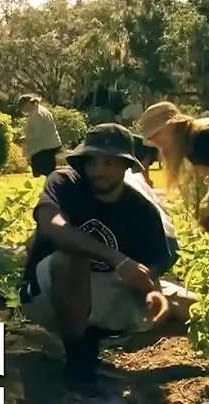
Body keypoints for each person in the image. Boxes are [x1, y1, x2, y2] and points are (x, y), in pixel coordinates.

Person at [19, 123, 197, 394]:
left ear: (127, 166)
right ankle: (79, 366)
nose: (98, 170)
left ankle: (95, 338)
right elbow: (52, 225)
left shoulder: (141, 211)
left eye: (110, 161)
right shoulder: (65, 182)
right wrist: (116, 258)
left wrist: (154, 295)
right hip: (48, 292)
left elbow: (151, 271)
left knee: (191, 306)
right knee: (72, 258)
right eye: (92, 160)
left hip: (106, 290)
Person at [139, 101, 209, 229]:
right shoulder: (189, 143)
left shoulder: (200, 138)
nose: (156, 144)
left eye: (156, 136)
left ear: (170, 126)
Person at [18, 94, 62, 177]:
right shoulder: (40, 110)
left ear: (27, 104)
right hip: (47, 146)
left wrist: (23, 139)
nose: (23, 111)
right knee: (48, 174)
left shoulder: (38, 114)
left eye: (23, 108)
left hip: (44, 148)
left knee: (41, 176)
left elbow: (37, 134)